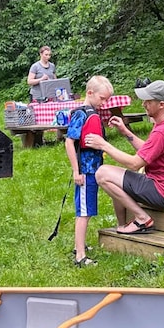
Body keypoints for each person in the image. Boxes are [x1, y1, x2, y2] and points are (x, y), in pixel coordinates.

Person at [83, 79, 164, 234]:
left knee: (103, 174)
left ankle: (143, 219)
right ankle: (122, 224)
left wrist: (103, 144)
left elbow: (134, 164)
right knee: (114, 178)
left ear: (161, 105)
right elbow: (148, 149)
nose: (143, 104)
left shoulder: (163, 131)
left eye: (148, 101)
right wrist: (125, 131)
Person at [65, 75, 114, 267]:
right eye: (102, 99)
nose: (104, 103)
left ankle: (80, 245)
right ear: (90, 93)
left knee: (88, 210)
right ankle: (80, 256)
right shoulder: (81, 114)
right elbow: (69, 142)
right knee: (84, 212)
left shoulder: (92, 112)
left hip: (94, 169)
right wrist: (76, 171)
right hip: (85, 172)